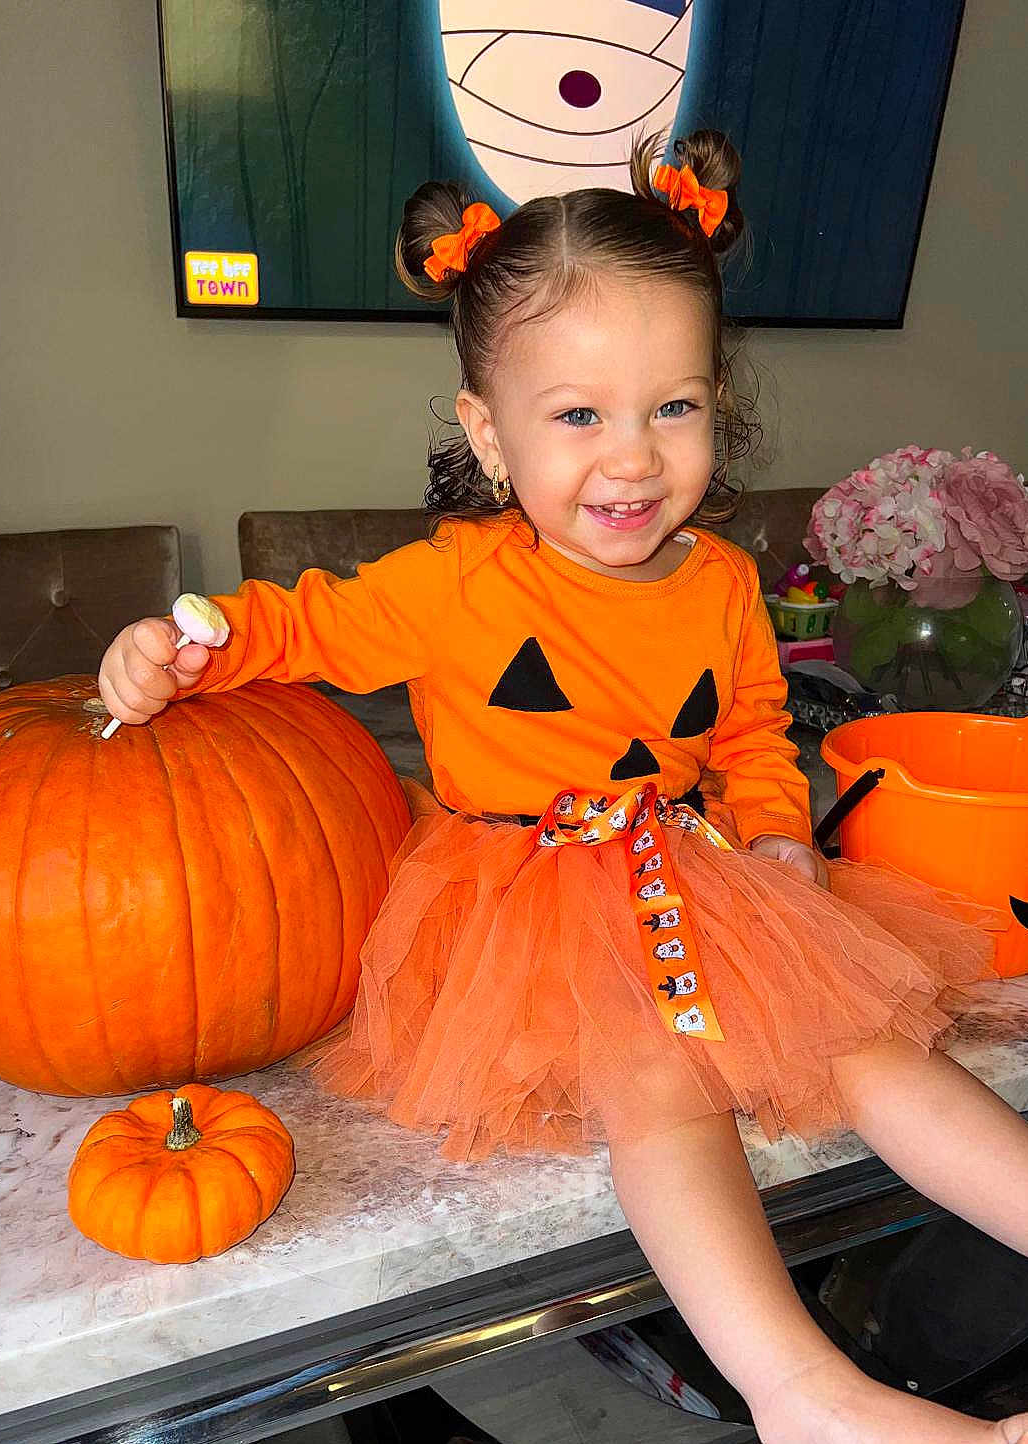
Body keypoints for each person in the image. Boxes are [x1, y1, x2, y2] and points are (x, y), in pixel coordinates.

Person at [98, 131, 1028, 1444]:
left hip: (699, 874)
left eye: (674, 407)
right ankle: (802, 1391)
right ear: (490, 431)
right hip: (521, 903)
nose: (634, 459)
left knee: (875, 1040)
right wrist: (186, 646)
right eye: (580, 414)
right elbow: (298, 625)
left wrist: (776, 840)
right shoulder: (460, 583)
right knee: (656, 1080)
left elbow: (756, 735)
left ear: (718, 404)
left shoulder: (716, 582)